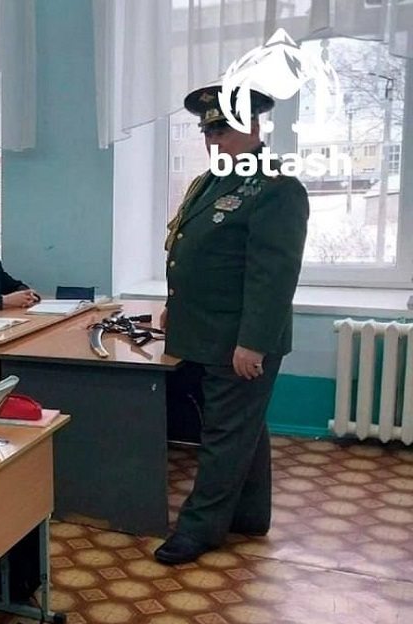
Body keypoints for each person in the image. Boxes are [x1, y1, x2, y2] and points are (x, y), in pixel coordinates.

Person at [154, 84, 309, 565]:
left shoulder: (276, 188)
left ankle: (199, 528)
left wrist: (254, 344)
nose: (213, 140)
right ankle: (249, 515)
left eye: (222, 130)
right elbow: (195, 255)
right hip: (207, 331)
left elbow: (273, 276)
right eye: (208, 131)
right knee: (242, 428)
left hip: (239, 341)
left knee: (223, 436)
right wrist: (175, 306)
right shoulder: (211, 182)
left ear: (254, 126)